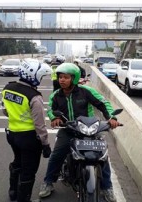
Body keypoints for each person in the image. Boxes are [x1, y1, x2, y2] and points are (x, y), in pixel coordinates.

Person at [39, 63, 120, 202]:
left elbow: (103, 103)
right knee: (57, 154)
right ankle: (48, 182)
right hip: (68, 129)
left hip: (89, 128)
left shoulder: (85, 91)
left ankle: (107, 188)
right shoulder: (56, 95)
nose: (62, 80)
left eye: (66, 77)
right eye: (60, 77)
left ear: (74, 78)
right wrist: (55, 118)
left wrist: (111, 117)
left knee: (103, 157)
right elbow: (51, 110)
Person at [1, 59, 52, 202]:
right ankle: (23, 199)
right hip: (29, 139)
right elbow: (40, 125)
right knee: (28, 170)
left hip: (12, 134)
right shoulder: (34, 96)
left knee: (17, 162)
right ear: (33, 75)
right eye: (41, 76)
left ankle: (13, 193)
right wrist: (46, 144)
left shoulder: (7, 88)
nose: (41, 79)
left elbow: (5, 111)